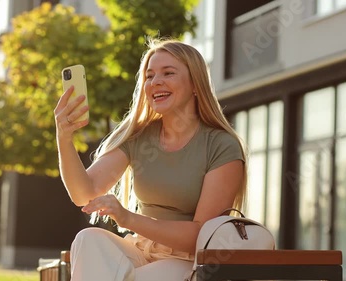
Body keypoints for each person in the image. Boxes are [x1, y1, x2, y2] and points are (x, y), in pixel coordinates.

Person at [54, 38, 248, 281]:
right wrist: (64, 138)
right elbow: (84, 192)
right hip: (139, 251)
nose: (156, 82)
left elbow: (199, 236)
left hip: (188, 261)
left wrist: (126, 217)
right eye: (149, 76)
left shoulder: (221, 146)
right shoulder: (139, 136)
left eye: (168, 73)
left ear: (195, 83)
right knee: (88, 238)